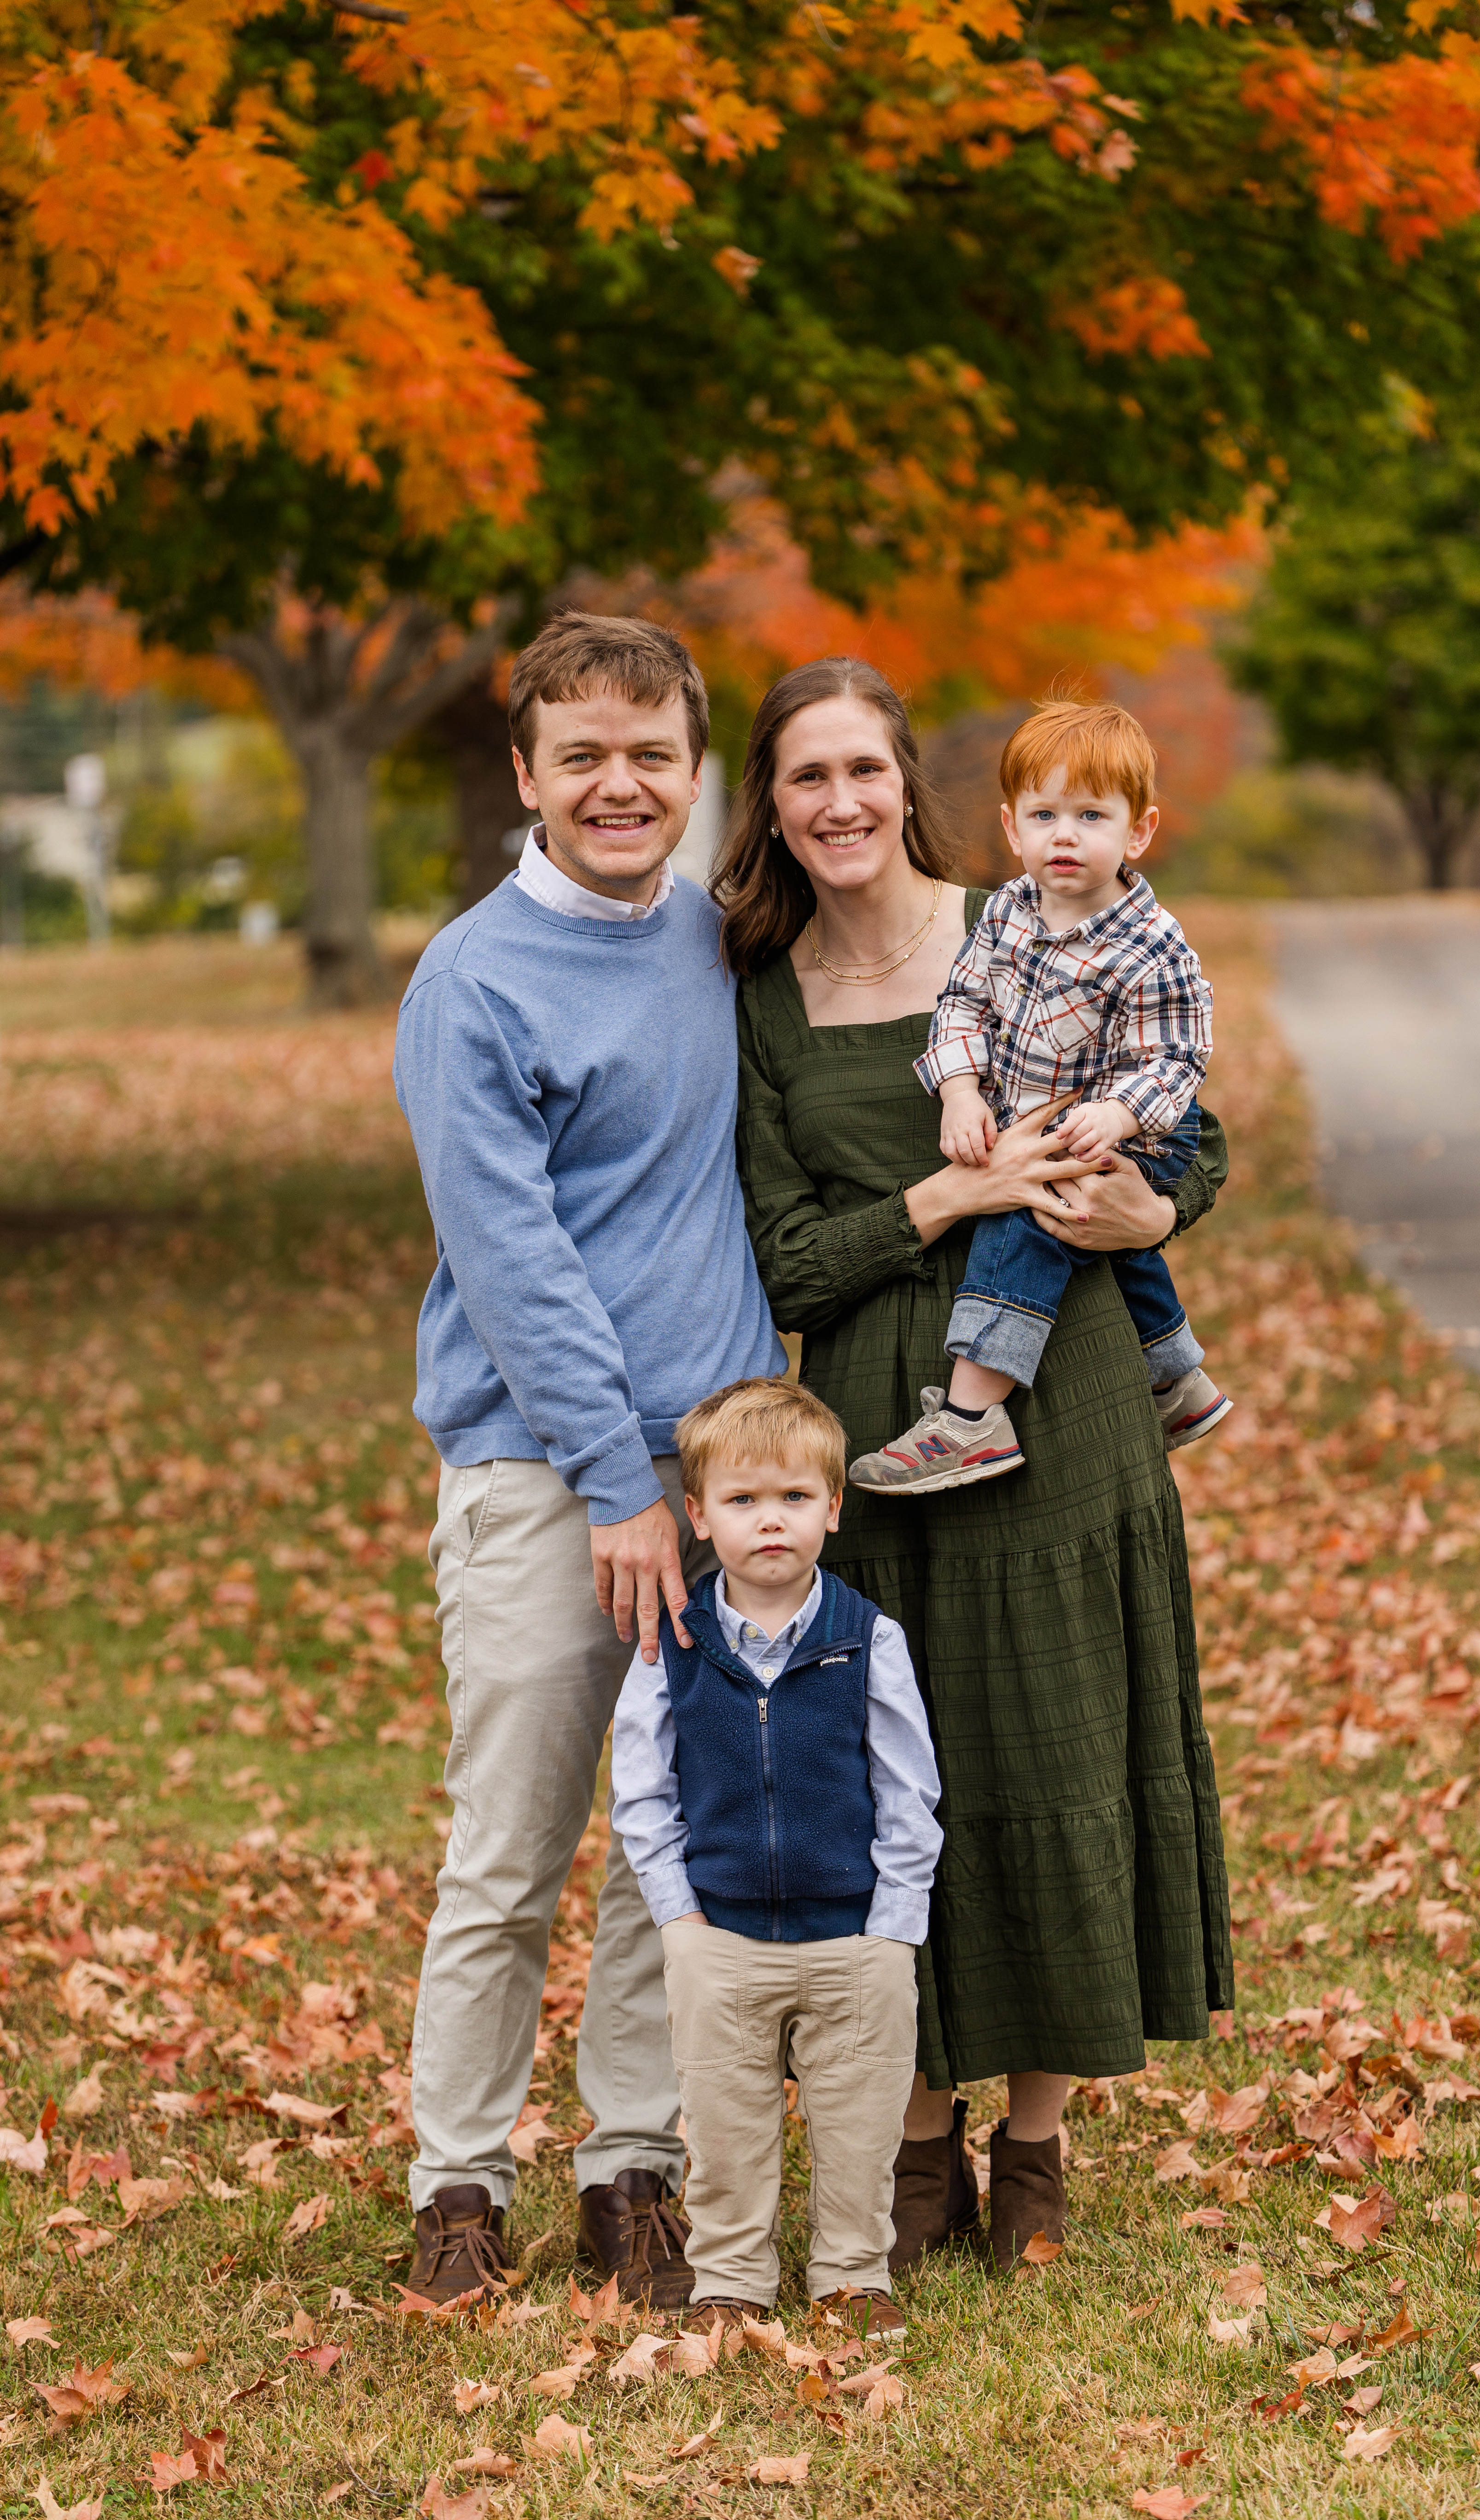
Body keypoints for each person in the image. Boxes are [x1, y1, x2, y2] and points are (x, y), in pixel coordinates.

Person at [720, 655, 1234, 2272]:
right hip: (877, 1426)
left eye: (865, 770)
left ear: (907, 786)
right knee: (900, 1789)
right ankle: (916, 2142)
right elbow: (785, 1260)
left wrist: (1148, 1212)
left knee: (1050, 1755)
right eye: (807, 778)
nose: (842, 803)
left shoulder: (1021, 918)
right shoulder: (756, 996)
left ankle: (1032, 2149)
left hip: (1064, 1398)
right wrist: (944, 1199)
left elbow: (1187, 1130)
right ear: (774, 804)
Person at [391, 611, 785, 2308]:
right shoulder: (470, 982)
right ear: (527, 774)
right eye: (583, 757)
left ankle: (629, 2171)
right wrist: (619, 1480)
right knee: (511, 1846)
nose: (619, 785)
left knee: (665, 1849)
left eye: (651, 755)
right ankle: (454, 2185)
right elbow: (513, 1258)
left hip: (711, 1480)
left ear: (692, 773)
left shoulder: (709, 940)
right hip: (547, 1481)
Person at [611, 1378, 943, 2332]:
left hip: (855, 1939)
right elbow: (643, 1791)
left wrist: (894, 1926)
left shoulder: (866, 1639)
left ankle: (850, 2274)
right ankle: (729, 2282)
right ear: (699, 1516)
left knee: (858, 2123)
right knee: (725, 2129)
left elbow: (908, 1790)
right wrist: (679, 1918)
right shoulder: (670, 1643)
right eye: (743, 1501)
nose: (770, 1523)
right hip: (719, 1940)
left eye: (795, 1499)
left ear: (833, 1511)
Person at [850, 698, 1231, 1497]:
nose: (1064, 834)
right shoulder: (1008, 916)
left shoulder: (1153, 943)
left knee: (1030, 1216)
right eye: (1044, 814)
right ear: (1012, 826)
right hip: (1040, 1115)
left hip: (1138, 1128)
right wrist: (958, 1091)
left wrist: (1120, 1115)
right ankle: (1178, 1381)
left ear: (1138, 832)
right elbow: (961, 1007)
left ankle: (972, 1416)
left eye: (1091, 815)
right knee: (1090, 1230)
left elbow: (1175, 1056)